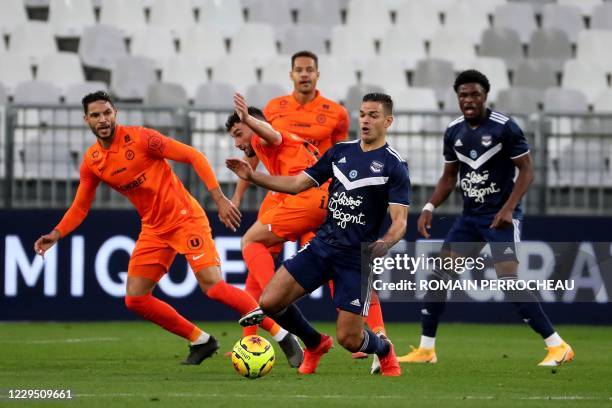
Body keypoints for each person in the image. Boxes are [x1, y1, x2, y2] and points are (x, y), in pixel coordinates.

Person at [33, 91, 301, 366]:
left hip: (185, 218)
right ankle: (201, 341)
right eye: (96, 115)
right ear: (86, 120)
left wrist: (220, 199)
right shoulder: (92, 161)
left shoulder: (141, 138)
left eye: (107, 113)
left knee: (213, 286)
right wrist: (56, 233)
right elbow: (80, 207)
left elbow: (194, 156)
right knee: (135, 298)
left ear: (115, 113)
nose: (103, 119)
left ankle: (283, 335)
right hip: (154, 228)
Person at [397, 70, 574, 367]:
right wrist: (429, 206)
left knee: (508, 278)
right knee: (439, 278)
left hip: (501, 219)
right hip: (470, 220)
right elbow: (449, 176)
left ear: (485, 96)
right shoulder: (453, 131)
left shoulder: (506, 128)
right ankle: (427, 350)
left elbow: (527, 171)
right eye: (463, 95)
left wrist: (508, 208)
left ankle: (558, 346)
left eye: (474, 94)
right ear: (457, 97)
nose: (469, 100)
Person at [227, 93, 410, 377]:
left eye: (373, 115)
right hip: (322, 245)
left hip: (355, 257)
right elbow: (297, 183)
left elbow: (400, 222)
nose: (365, 120)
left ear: (388, 121)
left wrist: (384, 244)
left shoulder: (394, 165)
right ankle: (314, 343)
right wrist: (254, 177)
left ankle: (384, 350)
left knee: (350, 340)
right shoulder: (340, 152)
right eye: (362, 114)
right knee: (270, 302)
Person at [225, 92, 330, 366]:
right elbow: (253, 167)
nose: (237, 143)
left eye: (239, 134)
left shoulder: (265, 136)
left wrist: (248, 118)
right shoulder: (263, 147)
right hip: (323, 199)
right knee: (261, 252)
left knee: (249, 242)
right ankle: (256, 337)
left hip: (305, 199)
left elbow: (270, 134)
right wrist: (236, 197)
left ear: (253, 124)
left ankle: (274, 304)